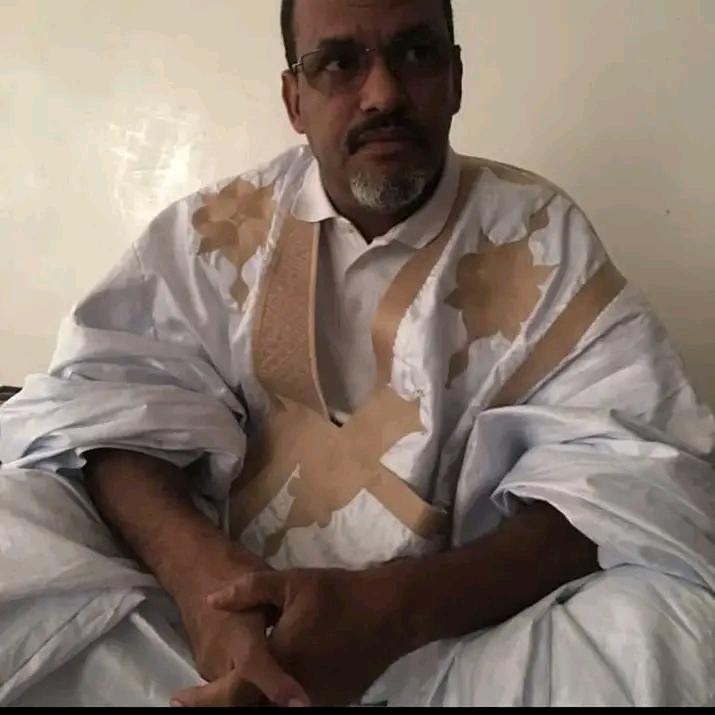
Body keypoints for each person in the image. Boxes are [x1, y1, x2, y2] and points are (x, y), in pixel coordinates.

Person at [0, 0, 714, 707]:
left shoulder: (540, 236)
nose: (383, 95)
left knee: (671, 630)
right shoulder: (212, 231)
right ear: (295, 100)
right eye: (339, 62)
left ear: (455, 79)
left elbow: (627, 474)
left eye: (415, 53)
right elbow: (107, 412)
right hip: (200, 638)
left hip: (454, 646)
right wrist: (205, 590)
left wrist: (393, 611)